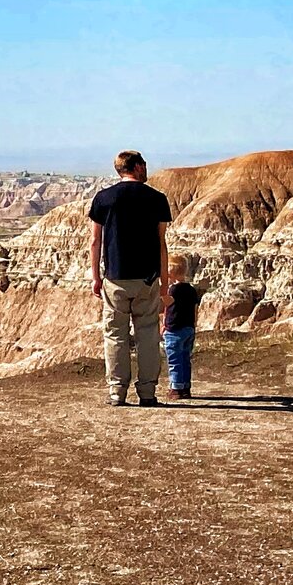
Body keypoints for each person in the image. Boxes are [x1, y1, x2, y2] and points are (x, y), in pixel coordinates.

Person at [86, 150, 174, 407]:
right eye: (144, 165)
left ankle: (117, 392)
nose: (147, 169)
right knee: (147, 334)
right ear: (136, 167)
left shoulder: (104, 198)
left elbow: (95, 241)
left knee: (115, 335)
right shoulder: (157, 199)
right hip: (147, 279)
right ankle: (147, 393)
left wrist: (95, 276)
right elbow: (161, 244)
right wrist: (165, 283)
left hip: (115, 278)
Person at [163, 254, 202, 401]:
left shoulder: (173, 290)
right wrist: (194, 325)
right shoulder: (191, 290)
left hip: (174, 330)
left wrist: (161, 291)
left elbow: (167, 303)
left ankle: (176, 388)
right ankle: (186, 387)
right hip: (188, 328)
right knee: (185, 358)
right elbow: (195, 309)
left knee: (175, 359)